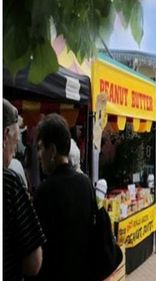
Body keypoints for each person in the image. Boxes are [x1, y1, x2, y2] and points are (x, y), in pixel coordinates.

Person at [33, 113, 96, 281]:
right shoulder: (86, 184)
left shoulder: (44, 192)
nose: (39, 155)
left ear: (52, 150)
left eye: (40, 148)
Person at [3, 99, 46, 281]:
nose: (16, 147)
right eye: (16, 138)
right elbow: (33, 264)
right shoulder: (9, 183)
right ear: (5, 135)